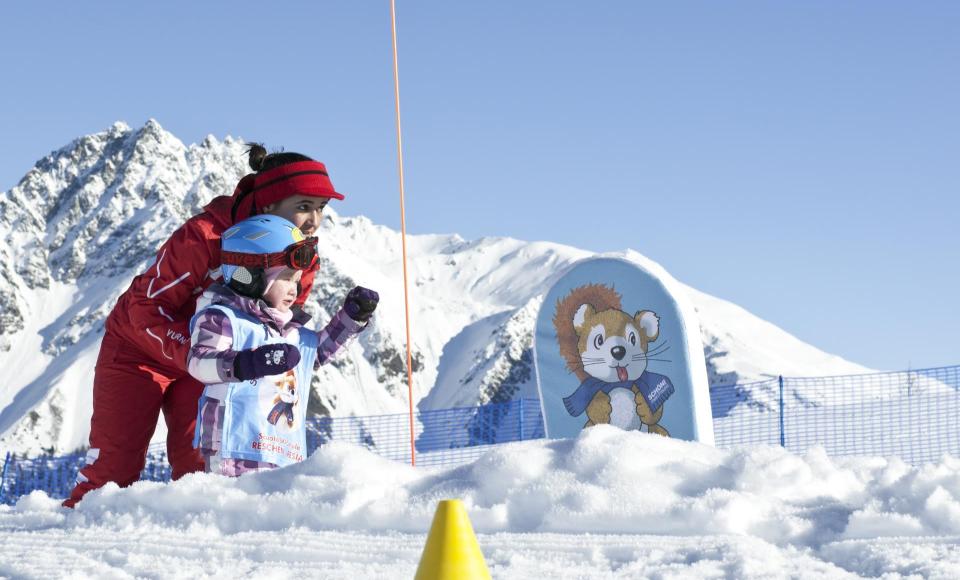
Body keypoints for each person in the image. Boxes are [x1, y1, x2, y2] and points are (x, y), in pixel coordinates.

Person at [65, 144, 344, 507]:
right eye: (304, 206)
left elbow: (276, 323)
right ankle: (79, 534)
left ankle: (196, 550)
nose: (314, 220)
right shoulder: (205, 236)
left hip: (212, 364)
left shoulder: (299, 257)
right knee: (113, 474)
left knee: (204, 472)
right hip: (138, 351)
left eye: (321, 208)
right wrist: (199, 354)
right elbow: (144, 308)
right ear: (270, 204)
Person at [187, 215, 379, 475]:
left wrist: (352, 317)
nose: (295, 289)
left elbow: (318, 353)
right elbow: (199, 363)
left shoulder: (291, 332)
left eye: (297, 279)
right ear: (249, 275)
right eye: (287, 277)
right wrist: (247, 363)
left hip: (285, 457)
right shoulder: (223, 319)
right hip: (234, 454)